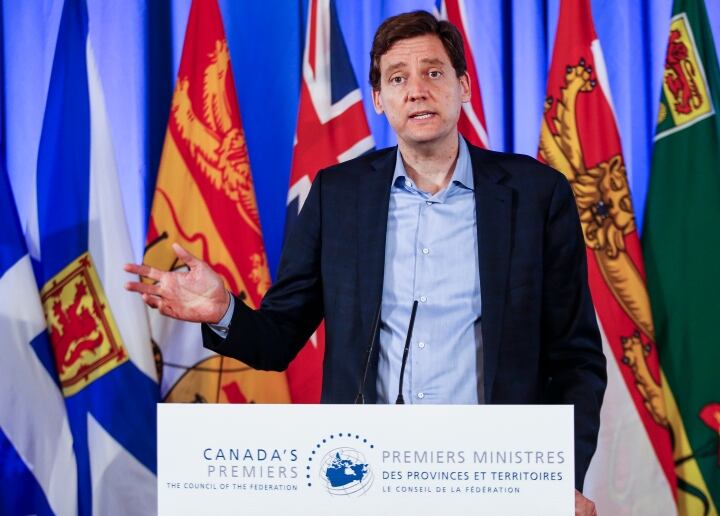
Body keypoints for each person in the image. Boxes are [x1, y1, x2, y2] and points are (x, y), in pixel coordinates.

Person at [125, 10, 605, 515]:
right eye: (398, 78)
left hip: (493, 476)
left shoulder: (534, 194)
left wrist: (558, 475)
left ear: (464, 86)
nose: (416, 89)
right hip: (367, 481)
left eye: (433, 72)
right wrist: (224, 310)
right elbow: (280, 337)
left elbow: (575, 358)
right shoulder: (337, 196)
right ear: (379, 99)